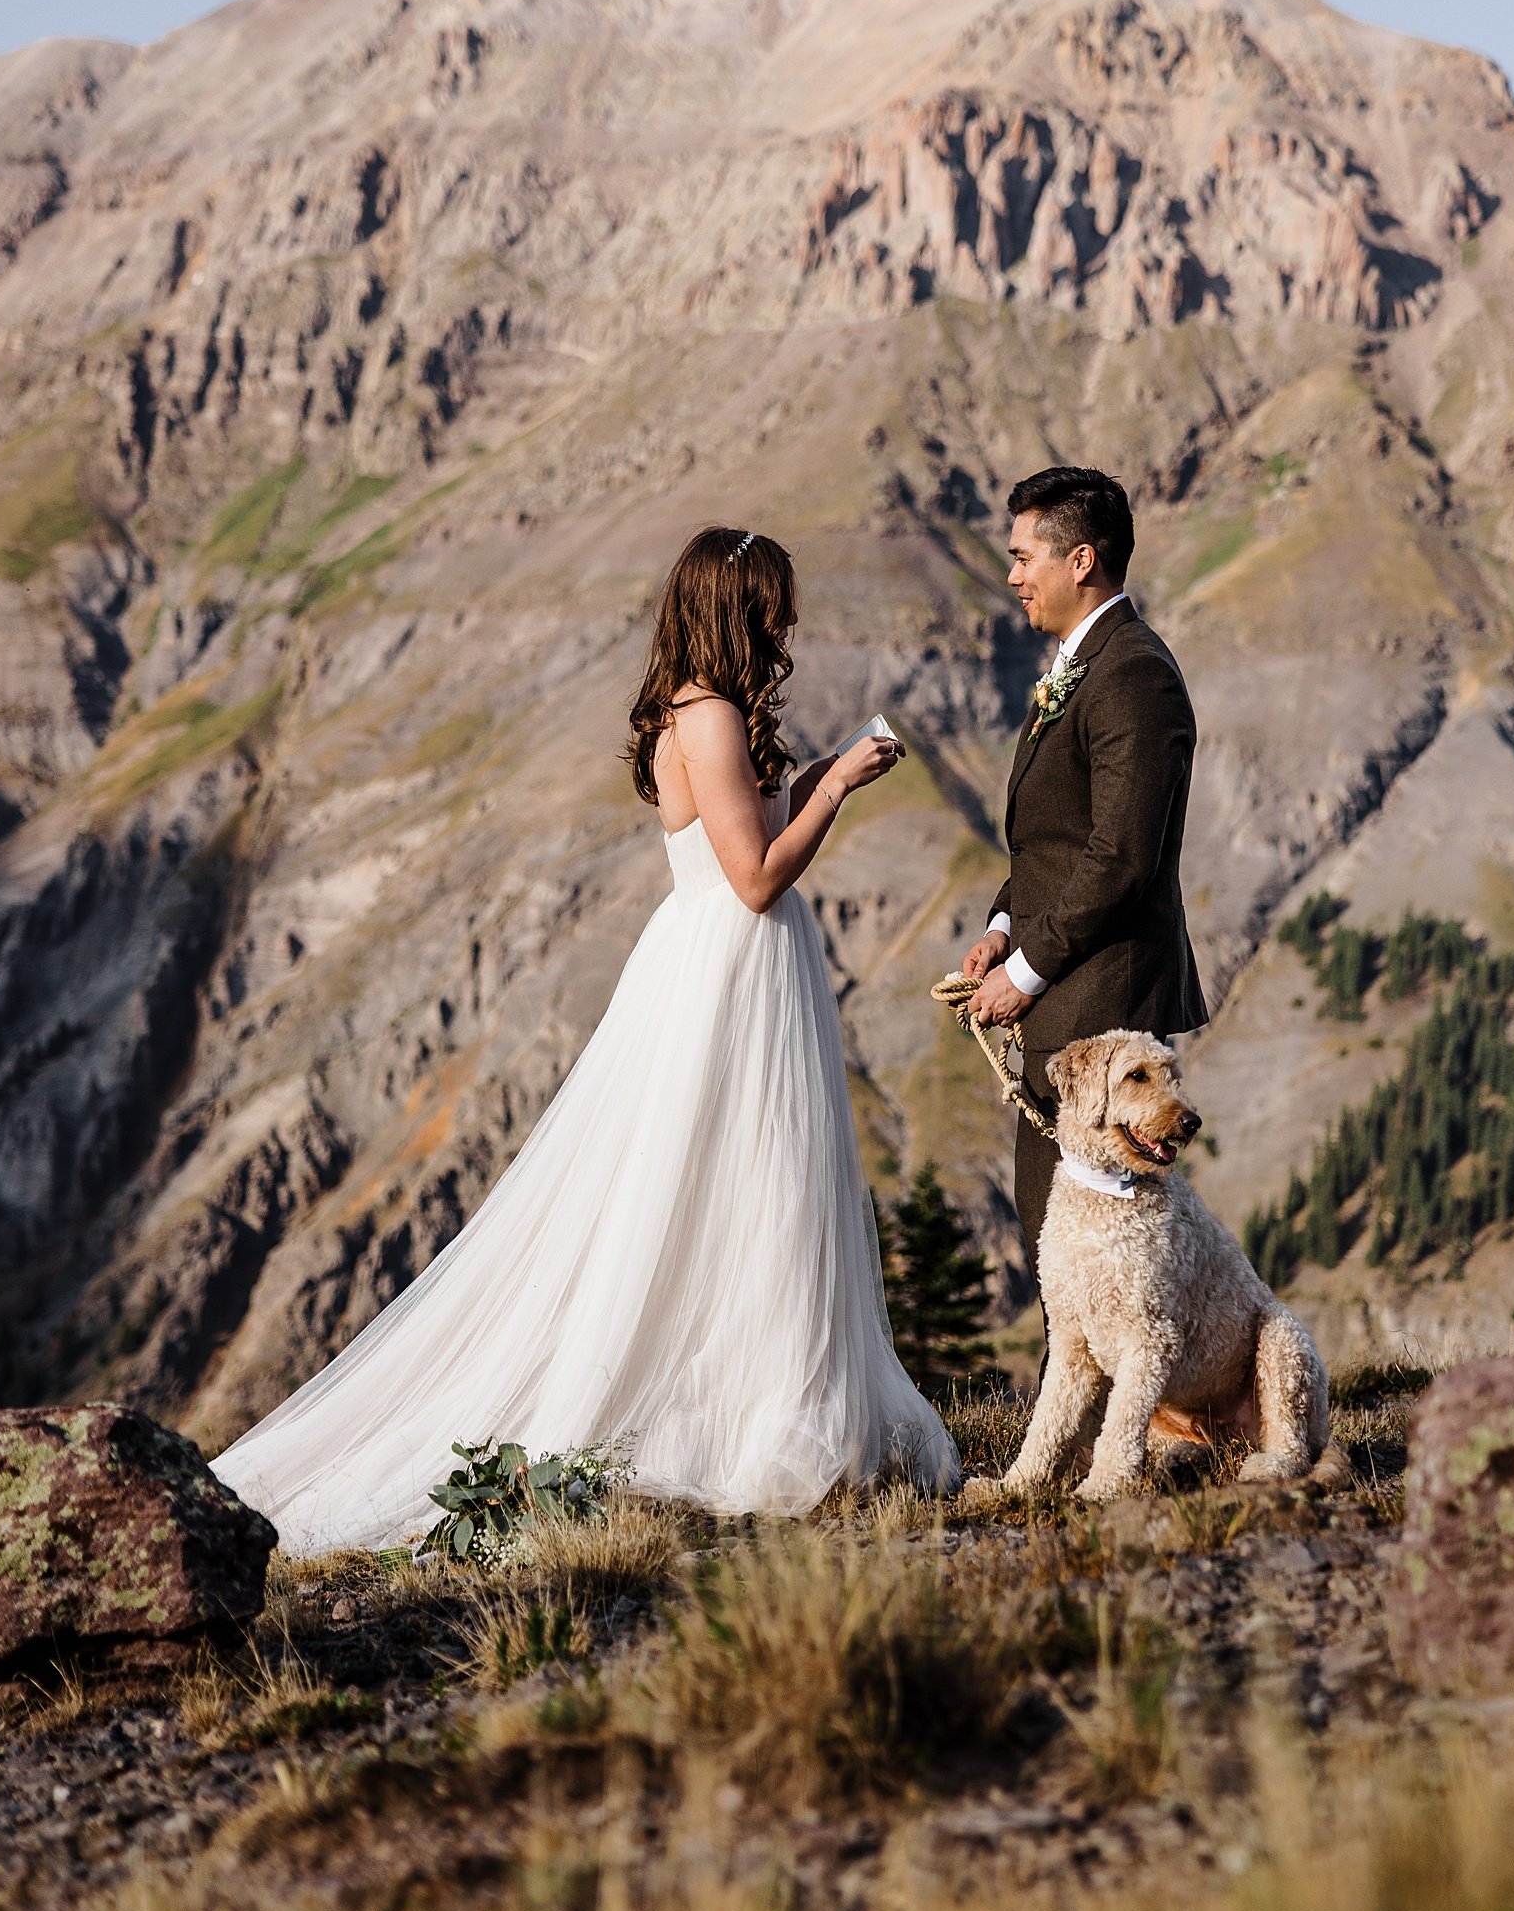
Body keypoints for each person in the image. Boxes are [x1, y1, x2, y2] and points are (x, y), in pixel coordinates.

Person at [213, 526, 958, 1551]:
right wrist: (833, 791)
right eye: (772, 601)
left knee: (750, 1189)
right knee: (750, 1182)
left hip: (725, 966)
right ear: (736, 604)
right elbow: (754, 875)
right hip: (732, 968)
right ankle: (751, 1415)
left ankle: (761, 1393)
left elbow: (738, 829)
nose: (787, 620)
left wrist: (818, 772)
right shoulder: (711, 716)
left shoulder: (695, 712)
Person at [962, 465, 1208, 1338]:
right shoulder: (1081, 666)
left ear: (1082, 559)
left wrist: (1026, 973)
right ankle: (1071, 1433)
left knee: (1103, 1245)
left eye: (1025, 556)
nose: (1014, 574)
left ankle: (1105, 1442)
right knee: (1055, 1229)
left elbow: (1121, 857)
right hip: (1064, 983)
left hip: (1103, 996)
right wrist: (1000, 929)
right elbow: (1054, 844)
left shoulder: (1135, 676)